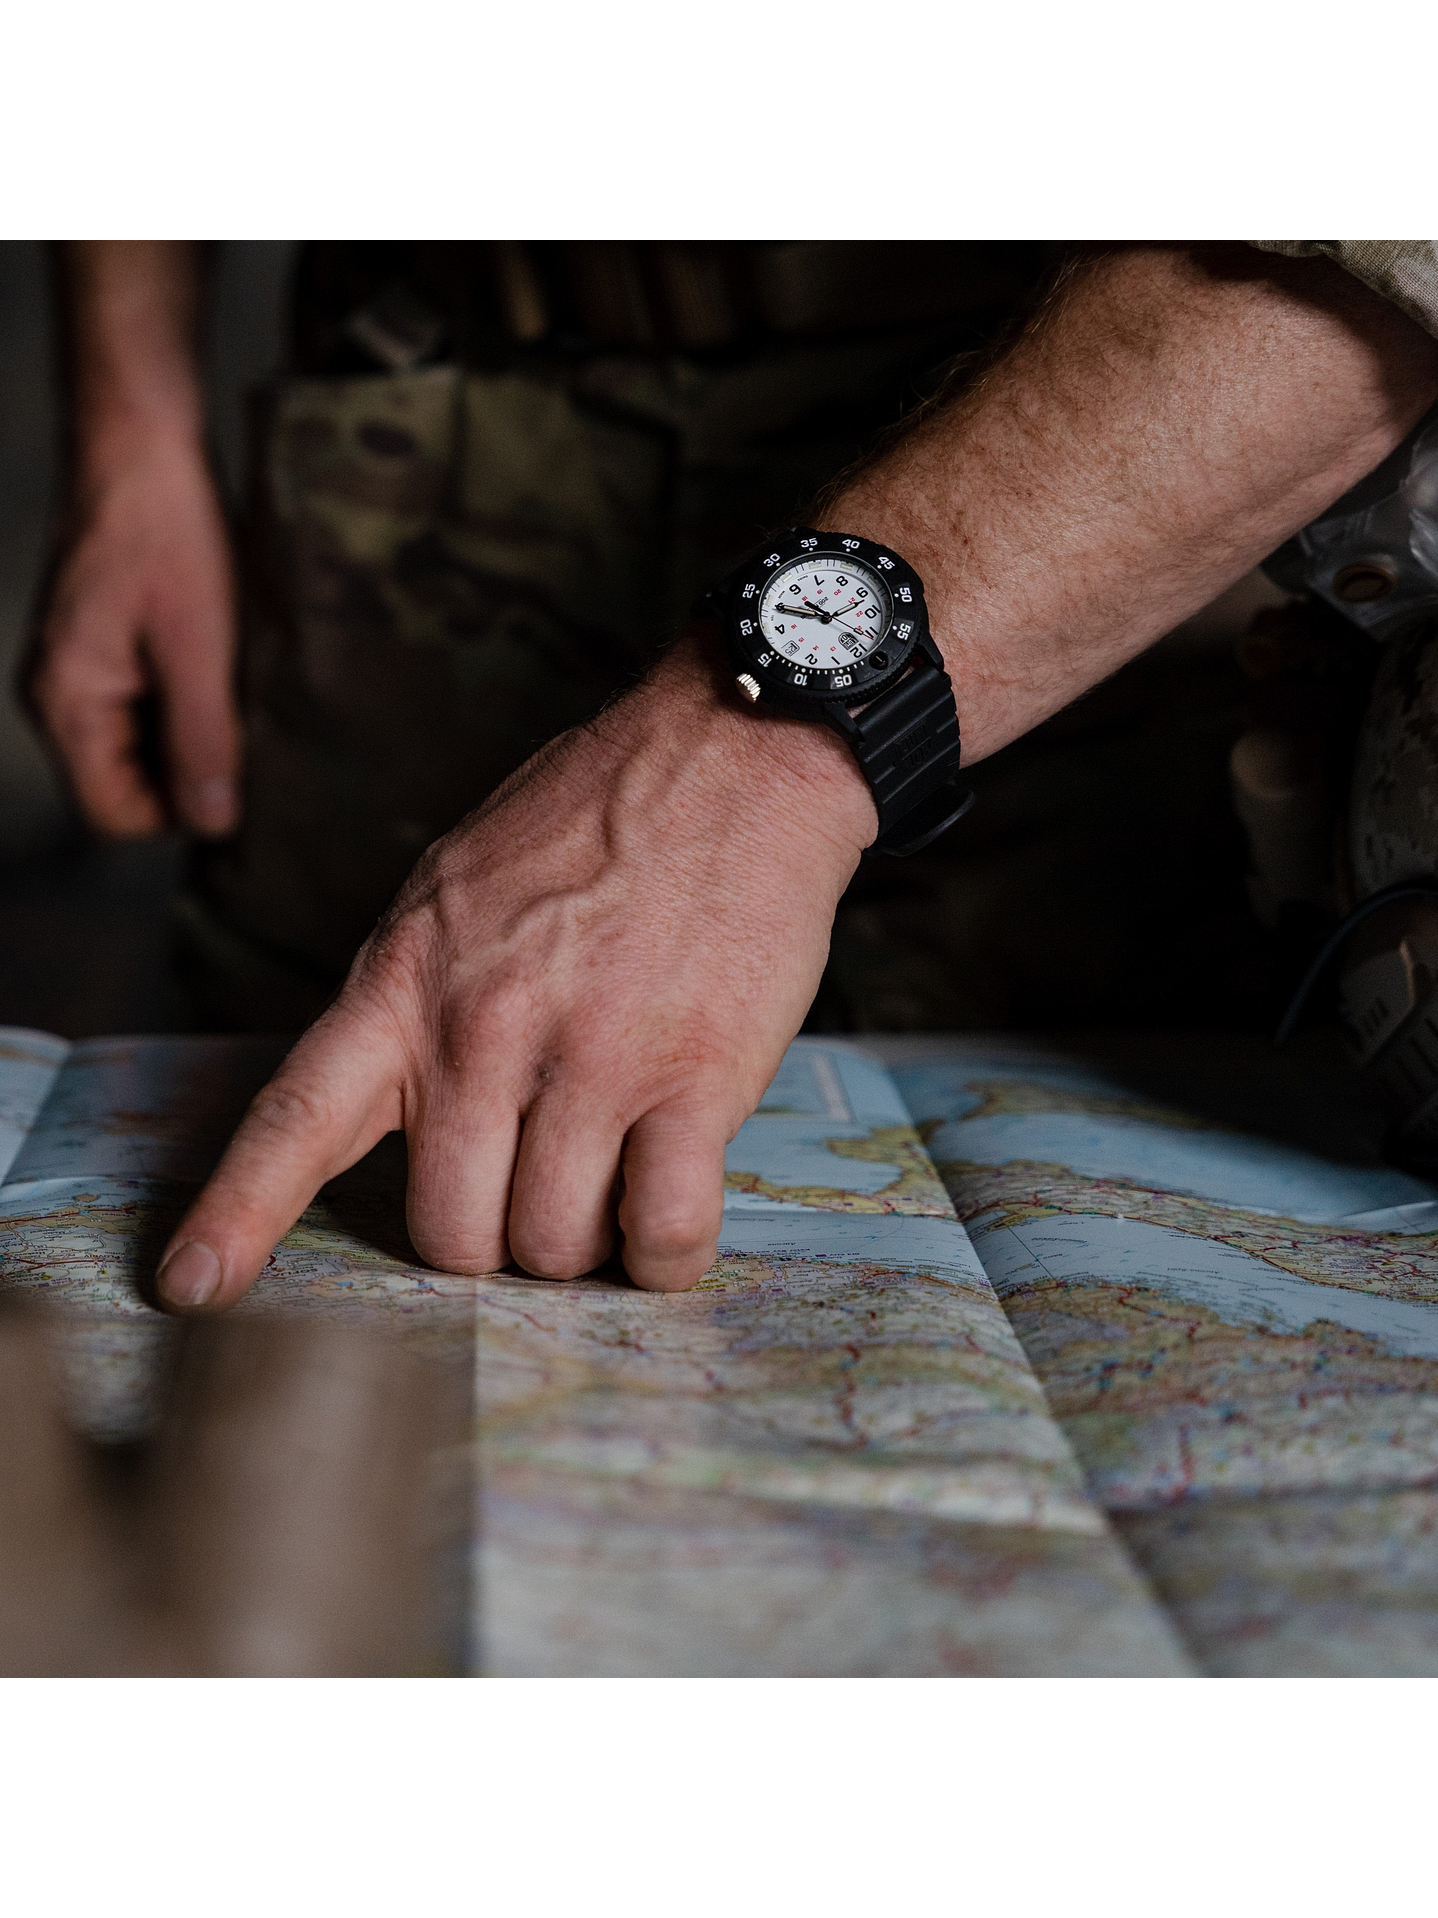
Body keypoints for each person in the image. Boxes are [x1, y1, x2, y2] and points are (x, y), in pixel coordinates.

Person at [32, 241, 1438, 1310]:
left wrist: (752, 759)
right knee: (328, 1179)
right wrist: (131, 431)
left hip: (1091, 453)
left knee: (1126, 1184)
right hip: (423, 443)